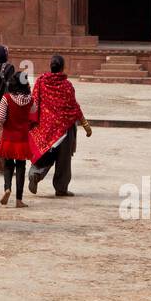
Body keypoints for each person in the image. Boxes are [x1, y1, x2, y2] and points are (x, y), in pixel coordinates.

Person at [27, 54, 92, 197]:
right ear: (62, 68)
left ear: (51, 67)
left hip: (45, 126)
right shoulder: (67, 85)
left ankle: (35, 173)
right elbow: (74, 107)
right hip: (64, 128)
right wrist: (85, 125)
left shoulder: (41, 82)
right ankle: (61, 188)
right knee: (63, 159)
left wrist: (31, 123)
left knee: (46, 153)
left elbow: (34, 103)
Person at [0, 72, 35, 207]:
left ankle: (7, 188)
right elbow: (34, 111)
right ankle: (19, 199)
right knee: (21, 167)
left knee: (8, 165)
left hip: (8, 137)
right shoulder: (30, 99)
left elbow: (0, 118)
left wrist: (1, 123)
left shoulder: (6, 98)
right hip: (22, 138)